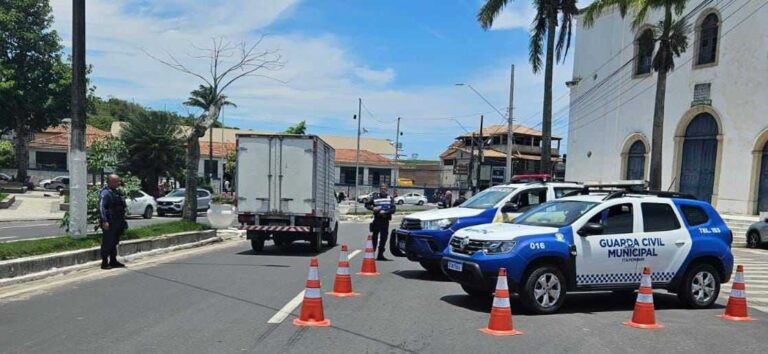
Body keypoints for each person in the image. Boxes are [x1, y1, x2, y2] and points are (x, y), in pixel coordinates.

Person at [99, 174, 128, 270]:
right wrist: (104, 221)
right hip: (110, 221)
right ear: (110, 182)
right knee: (107, 241)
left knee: (114, 241)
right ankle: (104, 262)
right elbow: (101, 207)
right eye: (116, 181)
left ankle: (113, 260)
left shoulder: (116, 192)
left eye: (119, 181)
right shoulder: (106, 193)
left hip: (117, 220)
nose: (118, 183)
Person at [365, 183, 396, 261]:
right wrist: (373, 208)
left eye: (384, 189)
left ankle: (380, 255)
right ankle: (372, 254)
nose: (383, 190)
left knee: (384, 238)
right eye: (382, 188)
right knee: (374, 237)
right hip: (377, 220)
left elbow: (393, 209)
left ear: (387, 190)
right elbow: (367, 205)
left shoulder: (390, 198)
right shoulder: (375, 197)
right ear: (379, 189)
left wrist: (385, 213)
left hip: (385, 220)